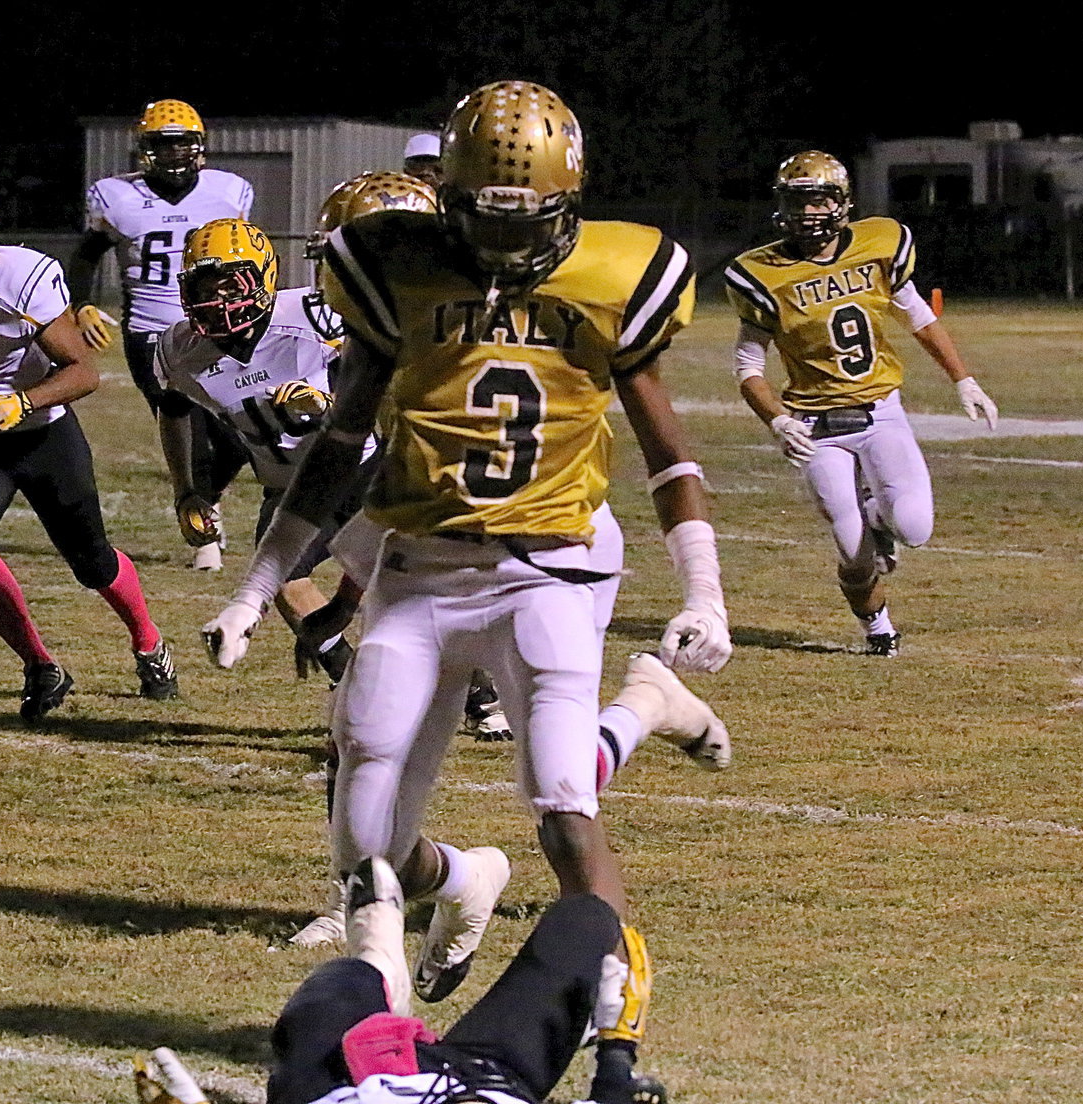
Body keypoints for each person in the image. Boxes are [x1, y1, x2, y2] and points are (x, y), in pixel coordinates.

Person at [202, 80, 731, 1099]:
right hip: (419, 561)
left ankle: (615, 1045)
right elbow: (342, 438)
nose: (504, 243)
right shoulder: (394, 270)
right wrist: (260, 585)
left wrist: (704, 585)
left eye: (525, 218)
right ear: (447, 196)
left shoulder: (617, 273)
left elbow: (668, 447)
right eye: (484, 215)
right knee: (365, 820)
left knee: (563, 799)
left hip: (552, 559)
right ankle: (407, 999)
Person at [0, 171, 177, 719]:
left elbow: (84, 371)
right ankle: (40, 664)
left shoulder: (19, 275)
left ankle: (149, 641)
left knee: (91, 562)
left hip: (41, 434)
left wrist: (24, 402)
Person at [725, 150, 998, 656]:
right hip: (813, 425)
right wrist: (777, 419)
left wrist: (964, 379)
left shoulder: (878, 245)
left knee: (914, 528)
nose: (807, 213)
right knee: (854, 554)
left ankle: (879, 517)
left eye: (818, 200)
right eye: (796, 201)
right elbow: (748, 368)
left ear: (842, 202)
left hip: (880, 413)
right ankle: (878, 629)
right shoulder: (762, 274)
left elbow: (919, 319)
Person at [135, 859, 666, 1104]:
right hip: (486, 1079)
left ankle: (378, 953)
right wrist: (615, 1062)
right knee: (585, 920)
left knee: (329, 997)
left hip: (343, 1085)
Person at [303, 168, 514, 742]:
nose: (333, 277)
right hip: (485, 527)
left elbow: (423, 492)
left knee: (557, 763)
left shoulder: (435, 353)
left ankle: (642, 705)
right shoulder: (419, 333)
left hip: (528, 540)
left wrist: (346, 600)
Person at [154, 216, 378, 682]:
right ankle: (353, 681)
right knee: (283, 578)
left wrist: (328, 404)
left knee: (405, 585)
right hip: (286, 487)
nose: (216, 301)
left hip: (361, 470)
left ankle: (481, 696)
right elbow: (173, 411)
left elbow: (386, 395)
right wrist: (187, 491)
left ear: (263, 279)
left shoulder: (317, 317)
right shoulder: (180, 349)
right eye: (204, 286)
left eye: (230, 286)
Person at [68, 98, 253, 571]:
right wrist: (83, 302)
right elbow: (88, 254)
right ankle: (203, 530)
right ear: (145, 149)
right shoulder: (117, 197)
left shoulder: (228, 194)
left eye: (182, 144)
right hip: (151, 334)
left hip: (217, 327)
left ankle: (197, 503)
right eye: (162, 145)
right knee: (186, 429)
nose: (173, 154)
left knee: (239, 436)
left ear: (200, 148)